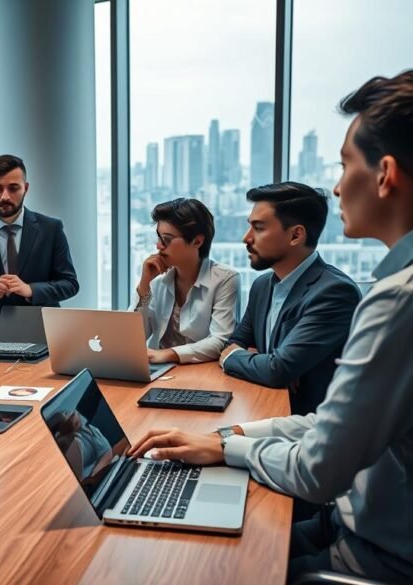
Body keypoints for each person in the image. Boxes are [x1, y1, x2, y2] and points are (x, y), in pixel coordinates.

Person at [129, 70, 413, 583]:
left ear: (385, 174)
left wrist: (226, 446)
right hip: (346, 518)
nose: (337, 184)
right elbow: (326, 421)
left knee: (206, 568)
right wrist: (230, 434)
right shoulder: (279, 286)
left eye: (346, 164)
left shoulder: (394, 300)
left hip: (373, 551)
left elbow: (317, 463)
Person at [219, 182, 361, 415]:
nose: (246, 238)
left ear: (296, 235)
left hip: (310, 423)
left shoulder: (334, 292)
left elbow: (277, 370)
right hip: (263, 407)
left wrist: (274, 366)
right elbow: (234, 344)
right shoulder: (262, 286)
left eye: (258, 228)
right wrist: (269, 363)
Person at [0, 155, 78, 340]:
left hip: (43, 335)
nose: (5, 196)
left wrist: (31, 290)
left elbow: (70, 284)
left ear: (26, 188)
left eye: (13, 188)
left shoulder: (51, 229)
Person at [134, 198, 239, 364]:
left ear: (197, 241)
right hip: (158, 370)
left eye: (167, 239)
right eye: (159, 237)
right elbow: (134, 337)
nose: (159, 246)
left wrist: (166, 354)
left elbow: (220, 340)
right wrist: (144, 285)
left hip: (201, 371)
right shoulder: (157, 282)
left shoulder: (225, 279)